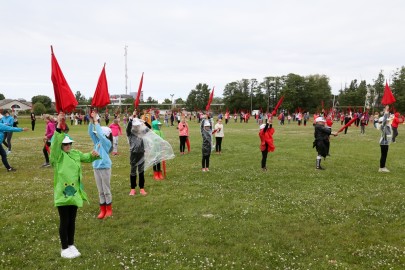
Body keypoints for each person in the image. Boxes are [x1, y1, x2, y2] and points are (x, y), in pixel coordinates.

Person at [50, 112, 100, 259]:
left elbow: (86, 157)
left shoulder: (75, 153)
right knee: (64, 220)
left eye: (69, 143)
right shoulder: (57, 156)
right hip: (63, 193)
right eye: (65, 144)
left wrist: (93, 155)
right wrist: (59, 125)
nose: (67, 146)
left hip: (75, 192)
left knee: (72, 220)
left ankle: (71, 244)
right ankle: (64, 247)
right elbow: (54, 144)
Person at [89, 111, 113, 219]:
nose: (97, 135)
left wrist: (96, 121)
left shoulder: (106, 143)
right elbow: (91, 133)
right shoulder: (97, 142)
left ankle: (109, 209)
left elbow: (100, 135)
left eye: (99, 134)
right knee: (100, 190)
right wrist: (91, 121)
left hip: (105, 167)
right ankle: (102, 209)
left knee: (106, 189)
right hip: (96, 167)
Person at [127, 114, 149, 196]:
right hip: (133, 154)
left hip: (141, 153)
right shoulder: (130, 133)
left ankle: (142, 188)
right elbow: (128, 128)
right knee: (133, 171)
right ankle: (133, 189)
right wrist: (131, 120)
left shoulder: (142, 132)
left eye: (137, 126)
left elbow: (149, 129)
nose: (136, 127)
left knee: (141, 171)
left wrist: (143, 122)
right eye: (135, 126)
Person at [378, 105, 392, 172]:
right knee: (383, 155)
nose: (388, 121)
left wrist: (387, 112)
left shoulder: (387, 125)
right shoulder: (383, 124)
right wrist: (386, 111)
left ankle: (382, 167)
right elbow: (383, 121)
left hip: (386, 141)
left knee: (384, 154)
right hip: (383, 141)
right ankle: (382, 167)